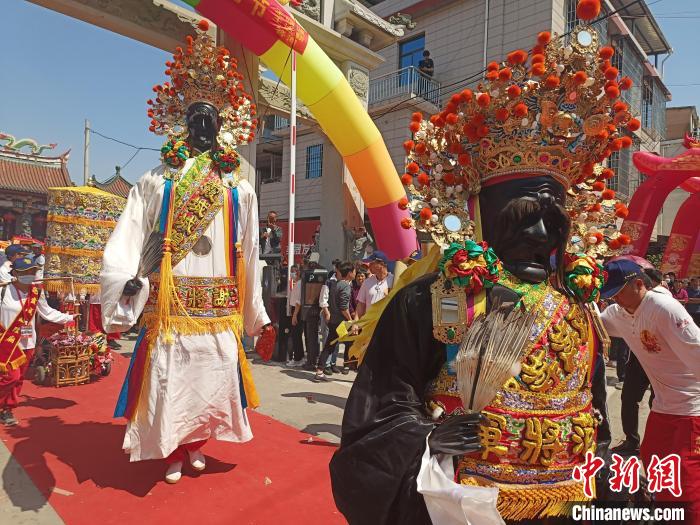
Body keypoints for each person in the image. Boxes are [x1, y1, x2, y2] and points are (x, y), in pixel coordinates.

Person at [330, 19, 620, 524]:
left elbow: (594, 410)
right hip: (465, 502)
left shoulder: (577, 305)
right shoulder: (432, 300)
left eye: (553, 222)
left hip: (567, 499)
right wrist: (426, 435)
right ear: (481, 216)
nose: (540, 238)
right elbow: (380, 405)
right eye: (523, 220)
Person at [100, 22, 273, 485]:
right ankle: (172, 449)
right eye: (194, 119)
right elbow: (129, 233)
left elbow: (250, 251)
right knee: (169, 380)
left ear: (222, 125)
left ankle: (197, 443)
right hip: (171, 303)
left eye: (209, 119)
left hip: (217, 305)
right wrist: (128, 280)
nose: (202, 127)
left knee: (210, 382)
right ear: (182, 123)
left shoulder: (238, 185)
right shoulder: (157, 180)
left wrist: (255, 312)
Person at [600, 260, 700, 522]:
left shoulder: (664, 308)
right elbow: (596, 325)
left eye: (618, 291)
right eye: (609, 294)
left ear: (639, 284)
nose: (614, 299)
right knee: (653, 459)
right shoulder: (618, 313)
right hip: (663, 407)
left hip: (692, 408)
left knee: (686, 481)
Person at [0, 256, 74, 425]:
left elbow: (47, 312)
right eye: (25, 272)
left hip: (28, 342)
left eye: (32, 271)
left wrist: (67, 317)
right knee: (11, 376)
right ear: (15, 274)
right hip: (6, 342)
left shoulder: (36, 292)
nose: (29, 275)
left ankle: (7, 409)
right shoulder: (3, 291)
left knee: (19, 379)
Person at [314, 261, 355, 382]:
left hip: (334, 321)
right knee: (351, 342)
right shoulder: (345, 286)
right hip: (341, 323)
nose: (355, 273)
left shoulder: (336, 284)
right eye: (354, 271)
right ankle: (348, 365)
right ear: (349, 273)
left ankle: (320, 370)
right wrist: (351, 321)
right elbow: (344, 308)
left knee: (330, 346)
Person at [355, 251, 393, 318]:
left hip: (387, 324)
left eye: (372, 263)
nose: (369, 266)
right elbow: (361, 305)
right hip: (369, 325)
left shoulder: (394, 280)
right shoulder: (366, 282)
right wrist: (355, 323)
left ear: (381, 264)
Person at [287, 265, 305, 367]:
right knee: (296, 335)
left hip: (297, 311)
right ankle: (300, 356)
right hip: (295, 310)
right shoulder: (298, 283)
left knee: (296, 335)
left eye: (294, 272)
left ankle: (298, 358)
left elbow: (298, 302)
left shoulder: (299, 284)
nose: (292, 274)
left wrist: (294, 315)